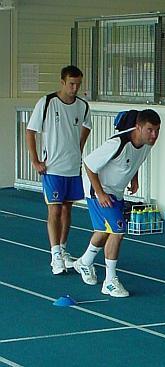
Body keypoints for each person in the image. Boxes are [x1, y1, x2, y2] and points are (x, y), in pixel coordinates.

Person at [73, 109, 161, 297]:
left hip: (116, 191)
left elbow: (135, 162)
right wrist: (100, 193)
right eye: (150, 130)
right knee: (118, 230)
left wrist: (134, 179)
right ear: (138, 127)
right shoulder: (117, 143)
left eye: (157, 130)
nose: (154, 135)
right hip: (99, 189)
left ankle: (84, 262)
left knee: (104, 230)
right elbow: (89, 164)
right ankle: (110, 281)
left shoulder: (146, 145)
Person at [26, 65, 92, 275]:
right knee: (54, 209)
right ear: (62, 82)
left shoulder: (82, 106)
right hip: (52, 167)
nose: (75, 88)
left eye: (78, 84)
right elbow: (30, 131)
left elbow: (87, 126)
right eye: (71, 84)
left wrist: (78, 148)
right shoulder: (46, 103)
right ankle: (55, 254)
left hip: (73, 167)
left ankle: (63, 249)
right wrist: (35, 160)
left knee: (67, 209)